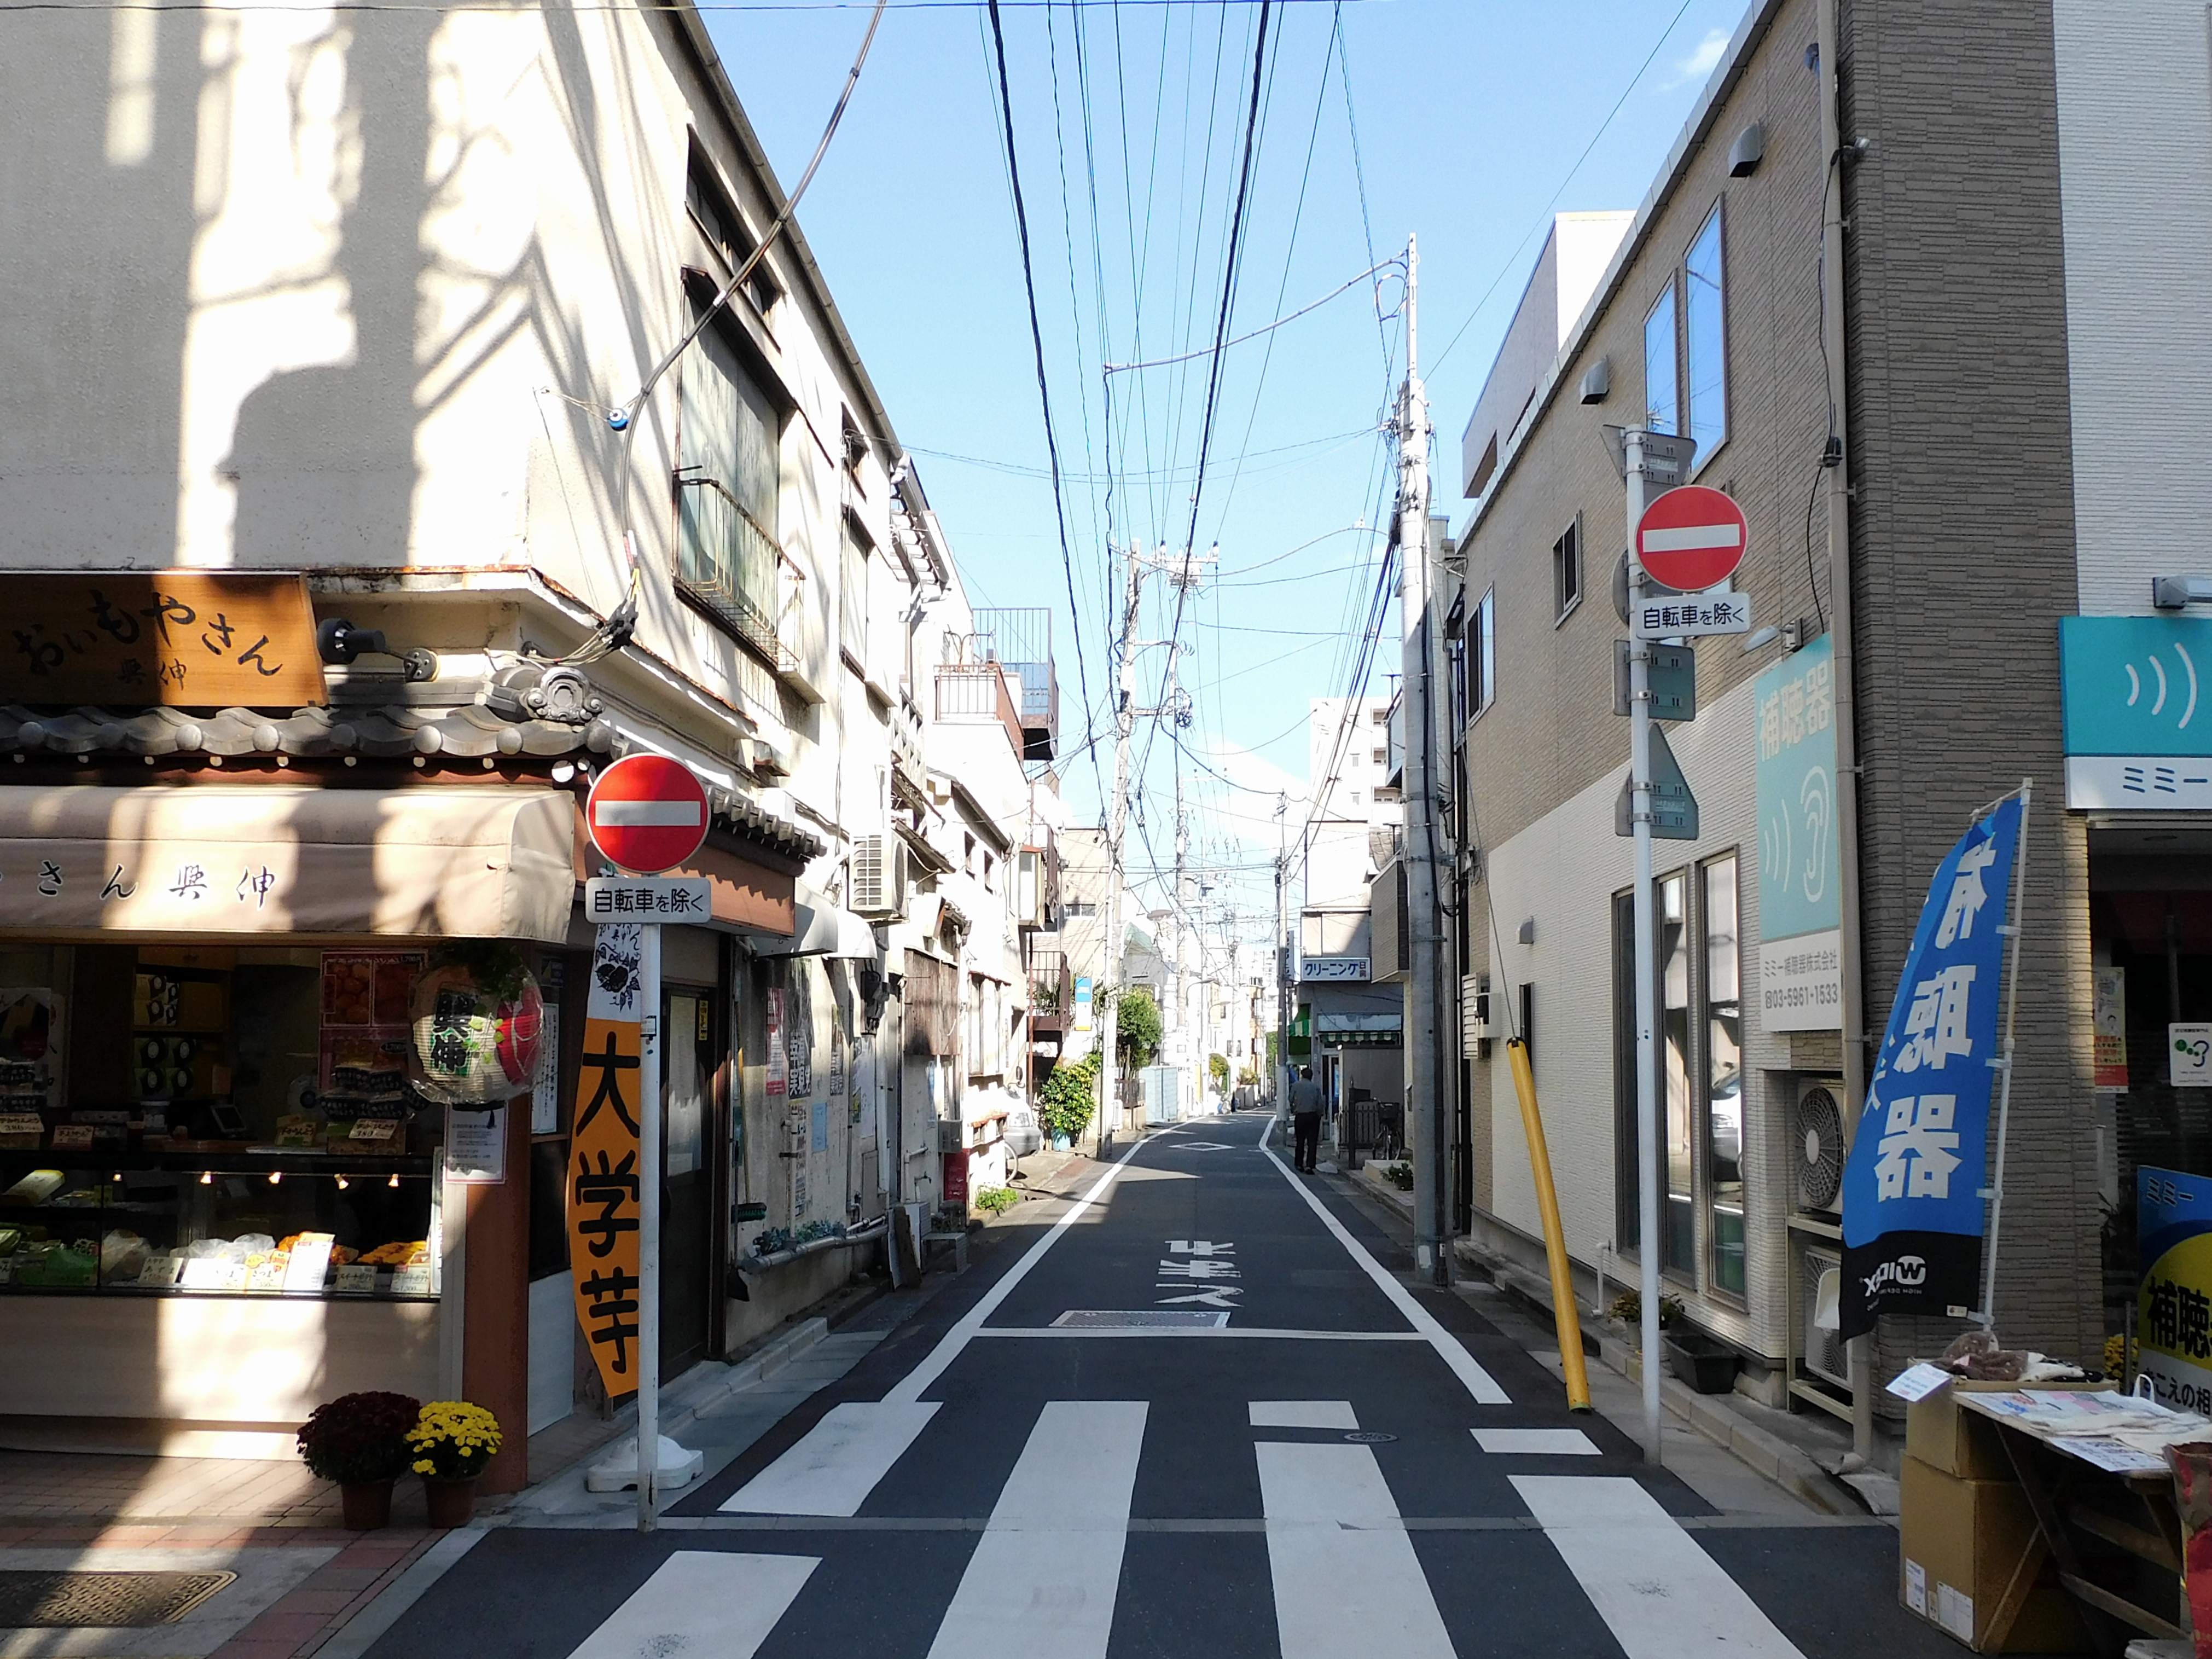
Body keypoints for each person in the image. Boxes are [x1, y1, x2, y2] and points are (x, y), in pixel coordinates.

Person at [1289, 1064, 1323, 1174]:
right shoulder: (1316, 1088)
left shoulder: (1295, 1086)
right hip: (1313, 1116)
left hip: (1300, 1116)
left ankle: (1299, 1164)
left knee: (1300, 1141)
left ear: (1302, 1075)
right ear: (1311, 1077)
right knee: (1312, 1142)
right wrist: (1319, 1115)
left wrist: (1294, 1109)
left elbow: (1291, 1099)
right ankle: (1310, 1165)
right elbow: (1320, 1104)